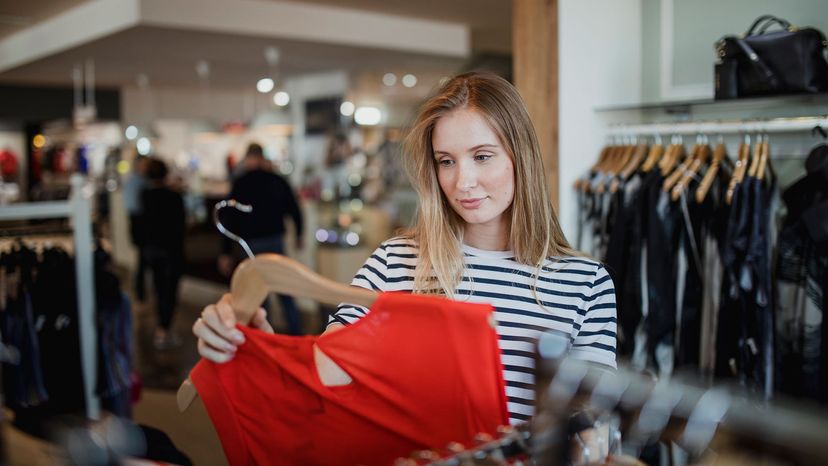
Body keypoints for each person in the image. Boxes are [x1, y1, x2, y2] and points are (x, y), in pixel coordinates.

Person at [193, 72, 617, 426]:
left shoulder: (585, 284)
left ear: (520, 157)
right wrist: (254, 343)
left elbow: (591, 426)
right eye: (446, 161)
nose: (461, 181)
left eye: (482, 156)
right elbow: (325, 374)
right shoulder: (396, 262)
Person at [217, 143, 304, 335]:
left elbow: (229, 218)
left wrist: (225, 252)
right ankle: (297, 335)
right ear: (263, 158)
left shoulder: (240, 183)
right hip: (275, 241)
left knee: (258, 294)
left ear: (249, 159)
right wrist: (299, 234)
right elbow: (294, 208)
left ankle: (265, 337)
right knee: (285, 289)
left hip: (251, 244)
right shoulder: (277, 180)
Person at [141, 157, 186, 349]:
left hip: (152, 250)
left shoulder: (145, 196)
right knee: (170, 291)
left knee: (159, 289)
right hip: (171, 250)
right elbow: (181, 225)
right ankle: (164, 329)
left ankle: (162, 328)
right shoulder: (174, 197)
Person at [123, 155, 148, 301]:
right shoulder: (136, 181)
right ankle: (140, 293)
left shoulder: (136, 181)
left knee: (142, 260)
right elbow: (134, 207)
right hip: (139, 222)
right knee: (142, 260)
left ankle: (140, 293)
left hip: (138, 222)